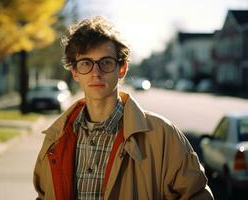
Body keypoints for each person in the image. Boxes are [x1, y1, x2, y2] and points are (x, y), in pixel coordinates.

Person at [33, 16, 214, 200]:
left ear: (122, 69)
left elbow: (197, 195)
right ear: (75, 72)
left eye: (106, 62)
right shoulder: (55, 137)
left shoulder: (163, 135)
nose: (96, 73)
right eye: (86, 63)